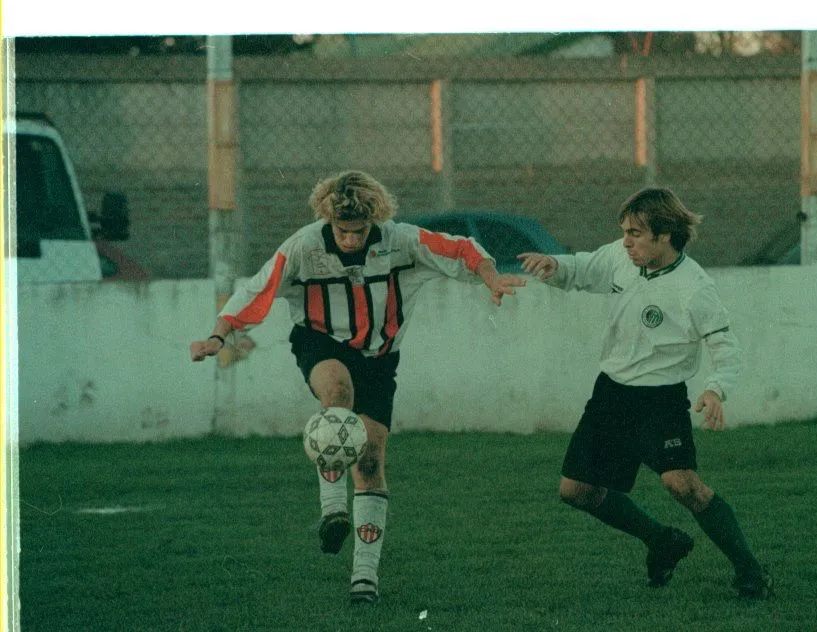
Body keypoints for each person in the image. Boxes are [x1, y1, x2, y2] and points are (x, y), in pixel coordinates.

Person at [189, 170, 524, 604]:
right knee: (337, 394)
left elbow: (461, 249)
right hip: (319, 339)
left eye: (359, 231)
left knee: (369, 460)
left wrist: (491, 277)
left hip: (381, 358)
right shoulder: (304, 246)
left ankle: (364, 576)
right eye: (342, 232)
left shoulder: (401, 241)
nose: (349, 240)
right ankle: (332, 508)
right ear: (328, 220)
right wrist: (218, 336)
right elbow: (257, 290)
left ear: (374, 222)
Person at [517, 187, 772, 599]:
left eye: (636, 233)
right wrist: (555, 265)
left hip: (661, 400)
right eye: (624, 232)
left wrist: (715, 389)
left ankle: (751, 571)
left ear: (665, 234)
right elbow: (583, 268)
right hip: (612, 395)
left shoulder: (695, 287)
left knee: (682, 485)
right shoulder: (621, 258)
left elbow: (726, 347)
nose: (626, 241)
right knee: (575, 491)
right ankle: (661, 540)